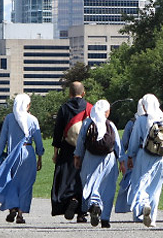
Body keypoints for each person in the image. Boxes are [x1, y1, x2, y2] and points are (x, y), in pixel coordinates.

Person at [0, 94, 44, 224]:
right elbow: (39, 141)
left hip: (12, 155)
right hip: (28, 152)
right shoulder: (33, 119)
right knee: (26, 184)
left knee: (11, 182)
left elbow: (2, 139)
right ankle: (20, 214)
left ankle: (12, 207)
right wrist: (40, 156)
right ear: (28, 105)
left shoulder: (8, 119)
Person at [127, 93, 163, 227]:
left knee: (142, 182)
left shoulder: (141, 120)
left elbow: (134, 139)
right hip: (161, 156)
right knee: (156, 186)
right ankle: (152, 218)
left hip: (145, 153)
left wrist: (130, 156)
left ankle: (143, 205)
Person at [74, 100, 121, 228]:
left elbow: (81, 142)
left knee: (90, 182)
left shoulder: (87, 123)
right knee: (108, 188)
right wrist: (121, 160)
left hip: (90, 157)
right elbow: (117, 144)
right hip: (109, 159)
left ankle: (94, 204)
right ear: (106, 112)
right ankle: (105, 218)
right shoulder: (110, 125)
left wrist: (77, 156)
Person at [51, 81, 92, 222]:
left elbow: (58, 132)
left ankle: (70, 200)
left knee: (66, 179)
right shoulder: (89, 108)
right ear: (83, 93)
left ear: (69, 93)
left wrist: (56, 151)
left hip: (68, 148)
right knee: (83, 180)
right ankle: (82, 212)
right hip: (85, 151)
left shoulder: (64, 108)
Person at [115, 97, 143, 214]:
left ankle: (126, 206)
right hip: (151, 156)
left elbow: (125, 143)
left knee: (129, 182)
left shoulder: (132, 123)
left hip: (134, 157)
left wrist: (123, 159)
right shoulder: (158, 120)